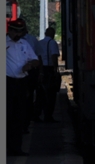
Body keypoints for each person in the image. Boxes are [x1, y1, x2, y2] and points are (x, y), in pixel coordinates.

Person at [6, 19, 40, 156]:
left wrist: (30, 65)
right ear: (10, 30)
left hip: (21, 83)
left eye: (20, 32)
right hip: (7, 82)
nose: (17, 34)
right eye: (15, 31)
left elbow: (36, 59)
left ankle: (16, 148)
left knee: (19, 116)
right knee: (6, 116)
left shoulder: (25, 44)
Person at [35, 26, 60, 122]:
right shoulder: (52, 43)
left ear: (45, 34)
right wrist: (55, 68)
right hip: (49, 69)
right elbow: (54, 56)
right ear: (53, 34)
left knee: (40, 93)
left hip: (41, 69)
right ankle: (48, 115)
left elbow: (38, 57)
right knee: (51, 94)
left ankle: (37, 114)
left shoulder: (39, 43)